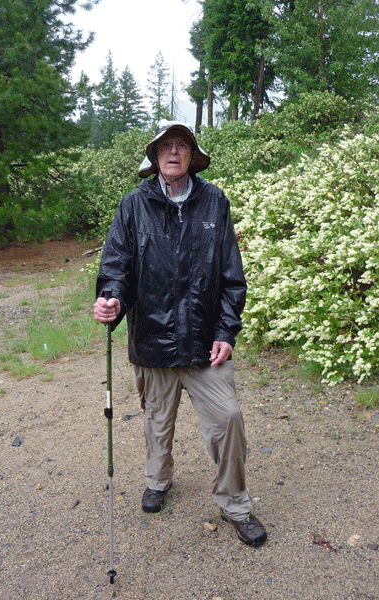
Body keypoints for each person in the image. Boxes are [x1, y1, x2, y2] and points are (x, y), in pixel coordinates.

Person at [93, 120, 267, 547]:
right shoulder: (133, 205)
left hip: (205, 343)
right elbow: (117, 266)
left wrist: (227, 329)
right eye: (166, 146)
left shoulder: (214, 202)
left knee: (228, 419)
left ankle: (235, 504)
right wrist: (111, 298)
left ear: (192, 155)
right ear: (154, 157)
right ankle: (158, 480)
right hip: (151, 341)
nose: (174, 152)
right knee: (156, 421)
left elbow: (232, 276)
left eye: (182, 146)